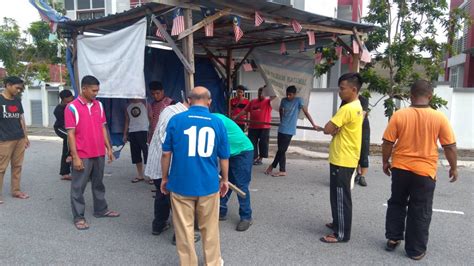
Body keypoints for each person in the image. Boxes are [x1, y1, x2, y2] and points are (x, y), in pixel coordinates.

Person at [382, 80, 457, 260]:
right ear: (430, 96)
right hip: (425, 172)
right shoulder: (439, 118)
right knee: (420, 209)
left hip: (400, 168)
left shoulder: (399, 115)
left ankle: (393, 238)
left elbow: (387, 142)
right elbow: (450, 146)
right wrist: (454, 167)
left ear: (411, 96)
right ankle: (415, 251)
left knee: (397, 202)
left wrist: (385, 161)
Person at [161, 86, 229, 266]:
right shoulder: (217, 122)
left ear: (189, 100)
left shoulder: (176, 120)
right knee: (210, 228)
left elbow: (166, 153)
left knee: (184, 230)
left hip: (181, 184)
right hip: (208, 184)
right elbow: (224, 157)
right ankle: (213, 262)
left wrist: (164, 178)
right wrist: (225, 180)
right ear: (209, 101)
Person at [65, 75, 120, 230]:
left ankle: (101, 210)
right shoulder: (72, 107)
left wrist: (108, 148)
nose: (96, 93)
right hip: (82, 154)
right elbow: (70, 134)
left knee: (98, 183)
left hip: (98, 152)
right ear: (84, 89)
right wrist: (75, 157)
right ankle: (79, 217)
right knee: (78, 186)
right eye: (93, 90)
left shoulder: (99, 105)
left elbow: (103, 127)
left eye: (97, 90)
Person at [319, 73, 364, 243]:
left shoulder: (347, 108)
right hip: (345, 156)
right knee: (336, 194)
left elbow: (328, 128)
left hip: (343, 158)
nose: (339, 91)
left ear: (353, 89)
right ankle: (338, 222)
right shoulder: (357, 105)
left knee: (340, 196)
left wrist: (330, 129)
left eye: (342, 88)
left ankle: (341, 233)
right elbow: (336, 129)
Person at [265, 85, 320, 177]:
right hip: (281, 128)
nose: (288, 96)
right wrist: (282, 119)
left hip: (289, 130)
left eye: (290, 95)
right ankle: (282, 170)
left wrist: (313, 124)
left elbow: (306, 112)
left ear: (294, 94)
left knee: (282, 150)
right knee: (281, 151)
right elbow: (280, 110)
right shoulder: (283, 100)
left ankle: (272, 166)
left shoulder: (298, 100)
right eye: (287, 94)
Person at [214, 113, 254, 231]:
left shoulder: (216, 121)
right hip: (230, 152)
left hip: (243, 151)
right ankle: (221, 210)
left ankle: (246, 216)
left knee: (241, 185)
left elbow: (218, 151)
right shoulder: (208, 120)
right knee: (225, 181)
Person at [0, 76, 30, 204]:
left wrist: (25, 136)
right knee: (1, 168)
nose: (18, 90)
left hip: (19, 138)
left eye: (20, 88)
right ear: (8, 85)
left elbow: (21, 118)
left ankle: (16, 190)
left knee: (17, 166)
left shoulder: (17, 100)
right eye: (17, 88)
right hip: (4, 139)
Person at [234, 86, 276, 166]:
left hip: (264, 127)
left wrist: (269, 87)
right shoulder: (253, 101)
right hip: (253, 127)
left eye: (263, 93)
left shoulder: (268, 102)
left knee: (263, 143)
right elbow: (244, 111)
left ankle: (260, 158)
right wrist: (236, 117)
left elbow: (274, 97)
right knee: (252, 142)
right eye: (259, 93)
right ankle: (254, 158)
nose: (260, 95)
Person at [340, 95, 370, 186]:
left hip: (362, 128)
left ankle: (362, 176)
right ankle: (353, 173)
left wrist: (355, 125)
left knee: (363, 151)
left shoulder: (363, 99)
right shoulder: (345, 100)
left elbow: (363, 114)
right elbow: (341, 114)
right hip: (350, 129)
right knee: (353, 150)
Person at [123, 98, 149, 183]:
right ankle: (140, 175)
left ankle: (151, 175)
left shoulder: (145, 104)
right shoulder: (128, 106)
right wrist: (125, 134)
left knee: (147, 153)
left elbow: (151, 117)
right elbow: (127, 120)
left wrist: (151, 131)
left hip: (144, 131)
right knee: (136, 154)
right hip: (132, 131)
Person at [53, 89, 74, 181]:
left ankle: (65, 173)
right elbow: (65, 125)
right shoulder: (58, 110)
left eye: (71, 100)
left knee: (67, 146)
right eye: (67, 102)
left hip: (71, 128)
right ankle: (70, 155)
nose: (70, 103)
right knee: (70, 137)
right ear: (63, 100)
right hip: (60, 128)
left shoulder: (75, 104)